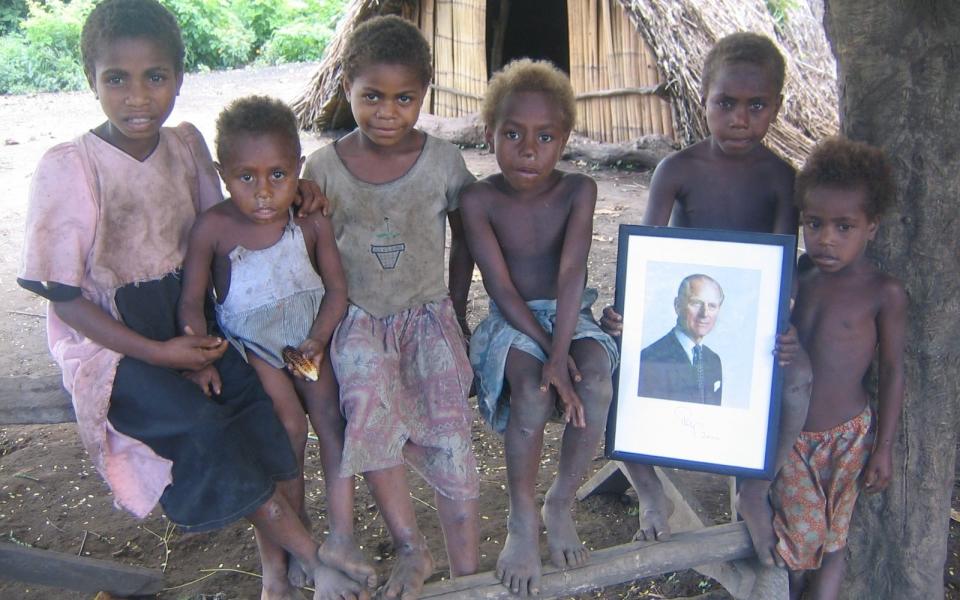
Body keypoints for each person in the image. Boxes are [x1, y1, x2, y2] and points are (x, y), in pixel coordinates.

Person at [17, 2, 365, 600]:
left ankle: (277, 572)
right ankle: (313, 554)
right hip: (116, 341)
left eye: (156, 77)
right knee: (203, 427)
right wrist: (161, 353)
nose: (138, 97)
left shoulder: (184, 145)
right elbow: (68, 302)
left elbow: (235, 204)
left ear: (180, 78)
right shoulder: (70, 167)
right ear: (90, 81)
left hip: (197, 321)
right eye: (116, 79)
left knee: (264, 418)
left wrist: (296, 190)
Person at [601, 32, 810, 565]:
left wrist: (780, 320)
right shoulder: (678, 169)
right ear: (704, 100)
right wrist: (627, 313)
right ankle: (649, 492)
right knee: (611, 378)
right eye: (726, 103)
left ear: (776, 108)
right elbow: (646, 258)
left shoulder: (781, 179)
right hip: (682, 315)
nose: (740, 118)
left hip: (745, 325)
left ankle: (756, 489)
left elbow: (783, 268)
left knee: (790, 386)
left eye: (756, 105)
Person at [301, 15, 480, 599]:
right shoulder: (324, 169)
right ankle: (410, 545)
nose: (387, 112)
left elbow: (470, 232)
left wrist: (457, 305)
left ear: (423, 95)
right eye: (371, 96)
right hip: (358, 322)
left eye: (405, 99)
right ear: (347, 86)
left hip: (429, 318)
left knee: (451, 439)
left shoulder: (444, 163)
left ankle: (469, 575)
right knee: (368, 418)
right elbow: (311, 250)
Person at [178, 96, 377, 593]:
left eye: (278, 175)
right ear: (223, 173)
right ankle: (287, 551)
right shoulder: (214, 228)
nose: (264, 191)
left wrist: (317, 339)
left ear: (298, 169)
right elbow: (191, 302)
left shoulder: (311, 221)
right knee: (285, 428)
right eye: (246, 177)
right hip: (255, 347)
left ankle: (341, 536)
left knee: (331, 423)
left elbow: (336, 289)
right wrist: (196, 350)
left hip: (310, 340)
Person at [460, 59, 620, 597]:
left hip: (569, 311)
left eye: (544, 136)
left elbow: (574, 271)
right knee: (531, 389)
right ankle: (522, 517)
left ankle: (561, 499)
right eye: (512, 134)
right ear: (489, 135)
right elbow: (501, 290)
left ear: (565, 140)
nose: (528, 150)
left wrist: (565, 352)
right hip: (512, 319)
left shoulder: (579, 189)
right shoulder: (478, 200)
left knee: (595, 380)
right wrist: (552, 358)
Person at [773, 137, 905, 599]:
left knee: (834, 542)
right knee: (797, 542)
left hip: (851, 437)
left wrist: (883, 448)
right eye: (815, 223)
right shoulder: (796, 276)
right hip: (793, 438)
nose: (826, 237)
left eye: (844, 226)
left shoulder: (882, 292)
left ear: (872, 227)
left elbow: (891, 370)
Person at [638, 274, 724, 405]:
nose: (705, 313)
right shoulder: (650, 358)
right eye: (696, 303)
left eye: (712, 306)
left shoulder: (713, 360)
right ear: (677, 306)